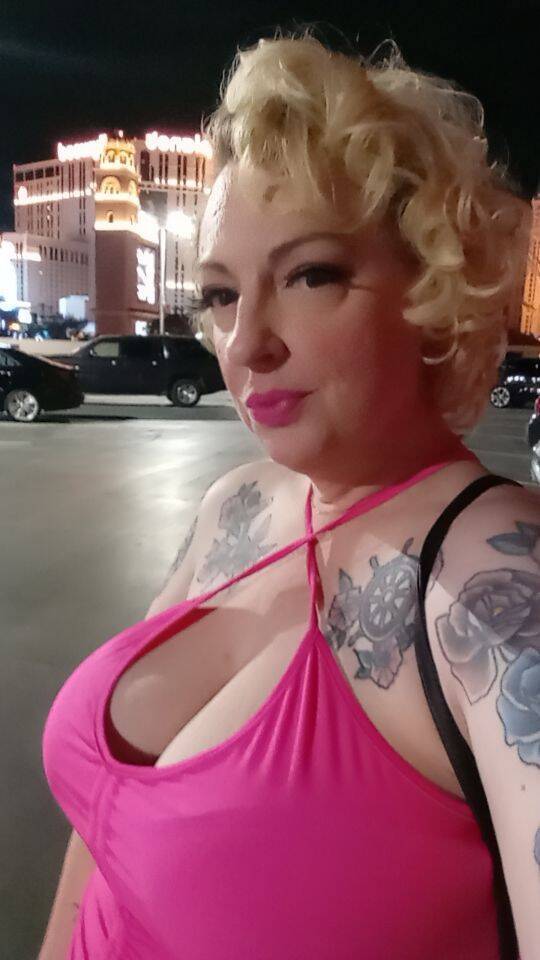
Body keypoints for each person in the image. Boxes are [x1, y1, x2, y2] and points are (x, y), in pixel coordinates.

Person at [39, 31, 537, 960]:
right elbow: (102, 845)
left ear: (433, 292)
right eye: (222, 294)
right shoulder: (236, 504)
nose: (246, 344)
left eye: (311, 275)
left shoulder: (491, 578)